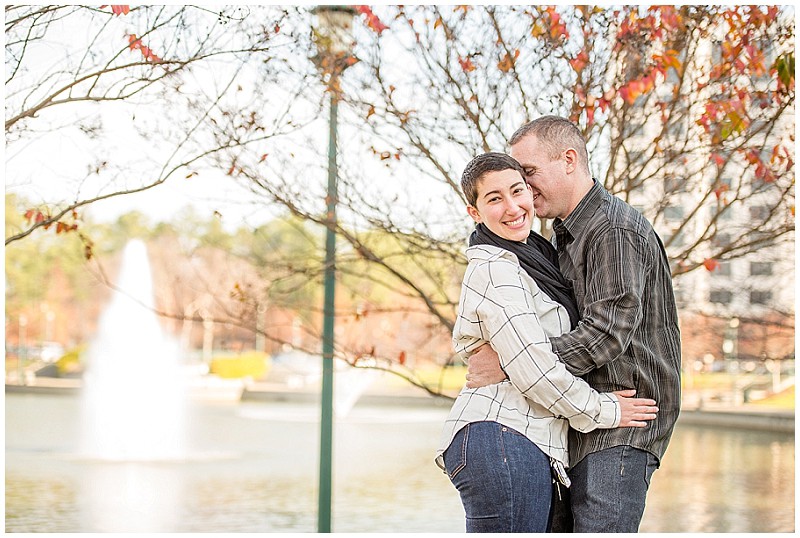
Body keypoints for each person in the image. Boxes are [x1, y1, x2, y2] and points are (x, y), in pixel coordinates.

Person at [466, 116, 682, 532]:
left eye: (528, 173)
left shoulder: (612, 229)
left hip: (623, 422)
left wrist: (513, 363)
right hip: (586, 418)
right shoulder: (564, 238)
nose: (524, 190)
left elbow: (606, 333)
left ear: (568, 160)